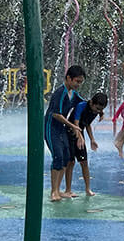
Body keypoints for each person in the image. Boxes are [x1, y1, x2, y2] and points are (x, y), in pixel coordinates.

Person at [44, 65, 86, 202]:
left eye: (81, 82)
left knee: (67, 156)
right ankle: (54, 191)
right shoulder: (60, 93)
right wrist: (73, 126)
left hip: (61, 128)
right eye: (77, 81)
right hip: (51, 127)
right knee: (58, 155)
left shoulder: (73, 93)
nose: (78, 85)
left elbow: (85, 103)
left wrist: (99, 109)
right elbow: (56, 114)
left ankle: (58, 189)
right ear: (68, 78)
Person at [58, 90, 108, 197]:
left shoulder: (95, 111)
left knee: (84, 162)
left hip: (79, 135)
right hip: (69, 133)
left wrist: (92, 139)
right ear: (91, 103)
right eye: (97, 108)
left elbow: (87, 124)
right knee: (70, 163)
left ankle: (87, 189)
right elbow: (76, 123)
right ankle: (68, 190)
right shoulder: (82, 106)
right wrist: (79, 136)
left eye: (101, 110)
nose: (98, 111)